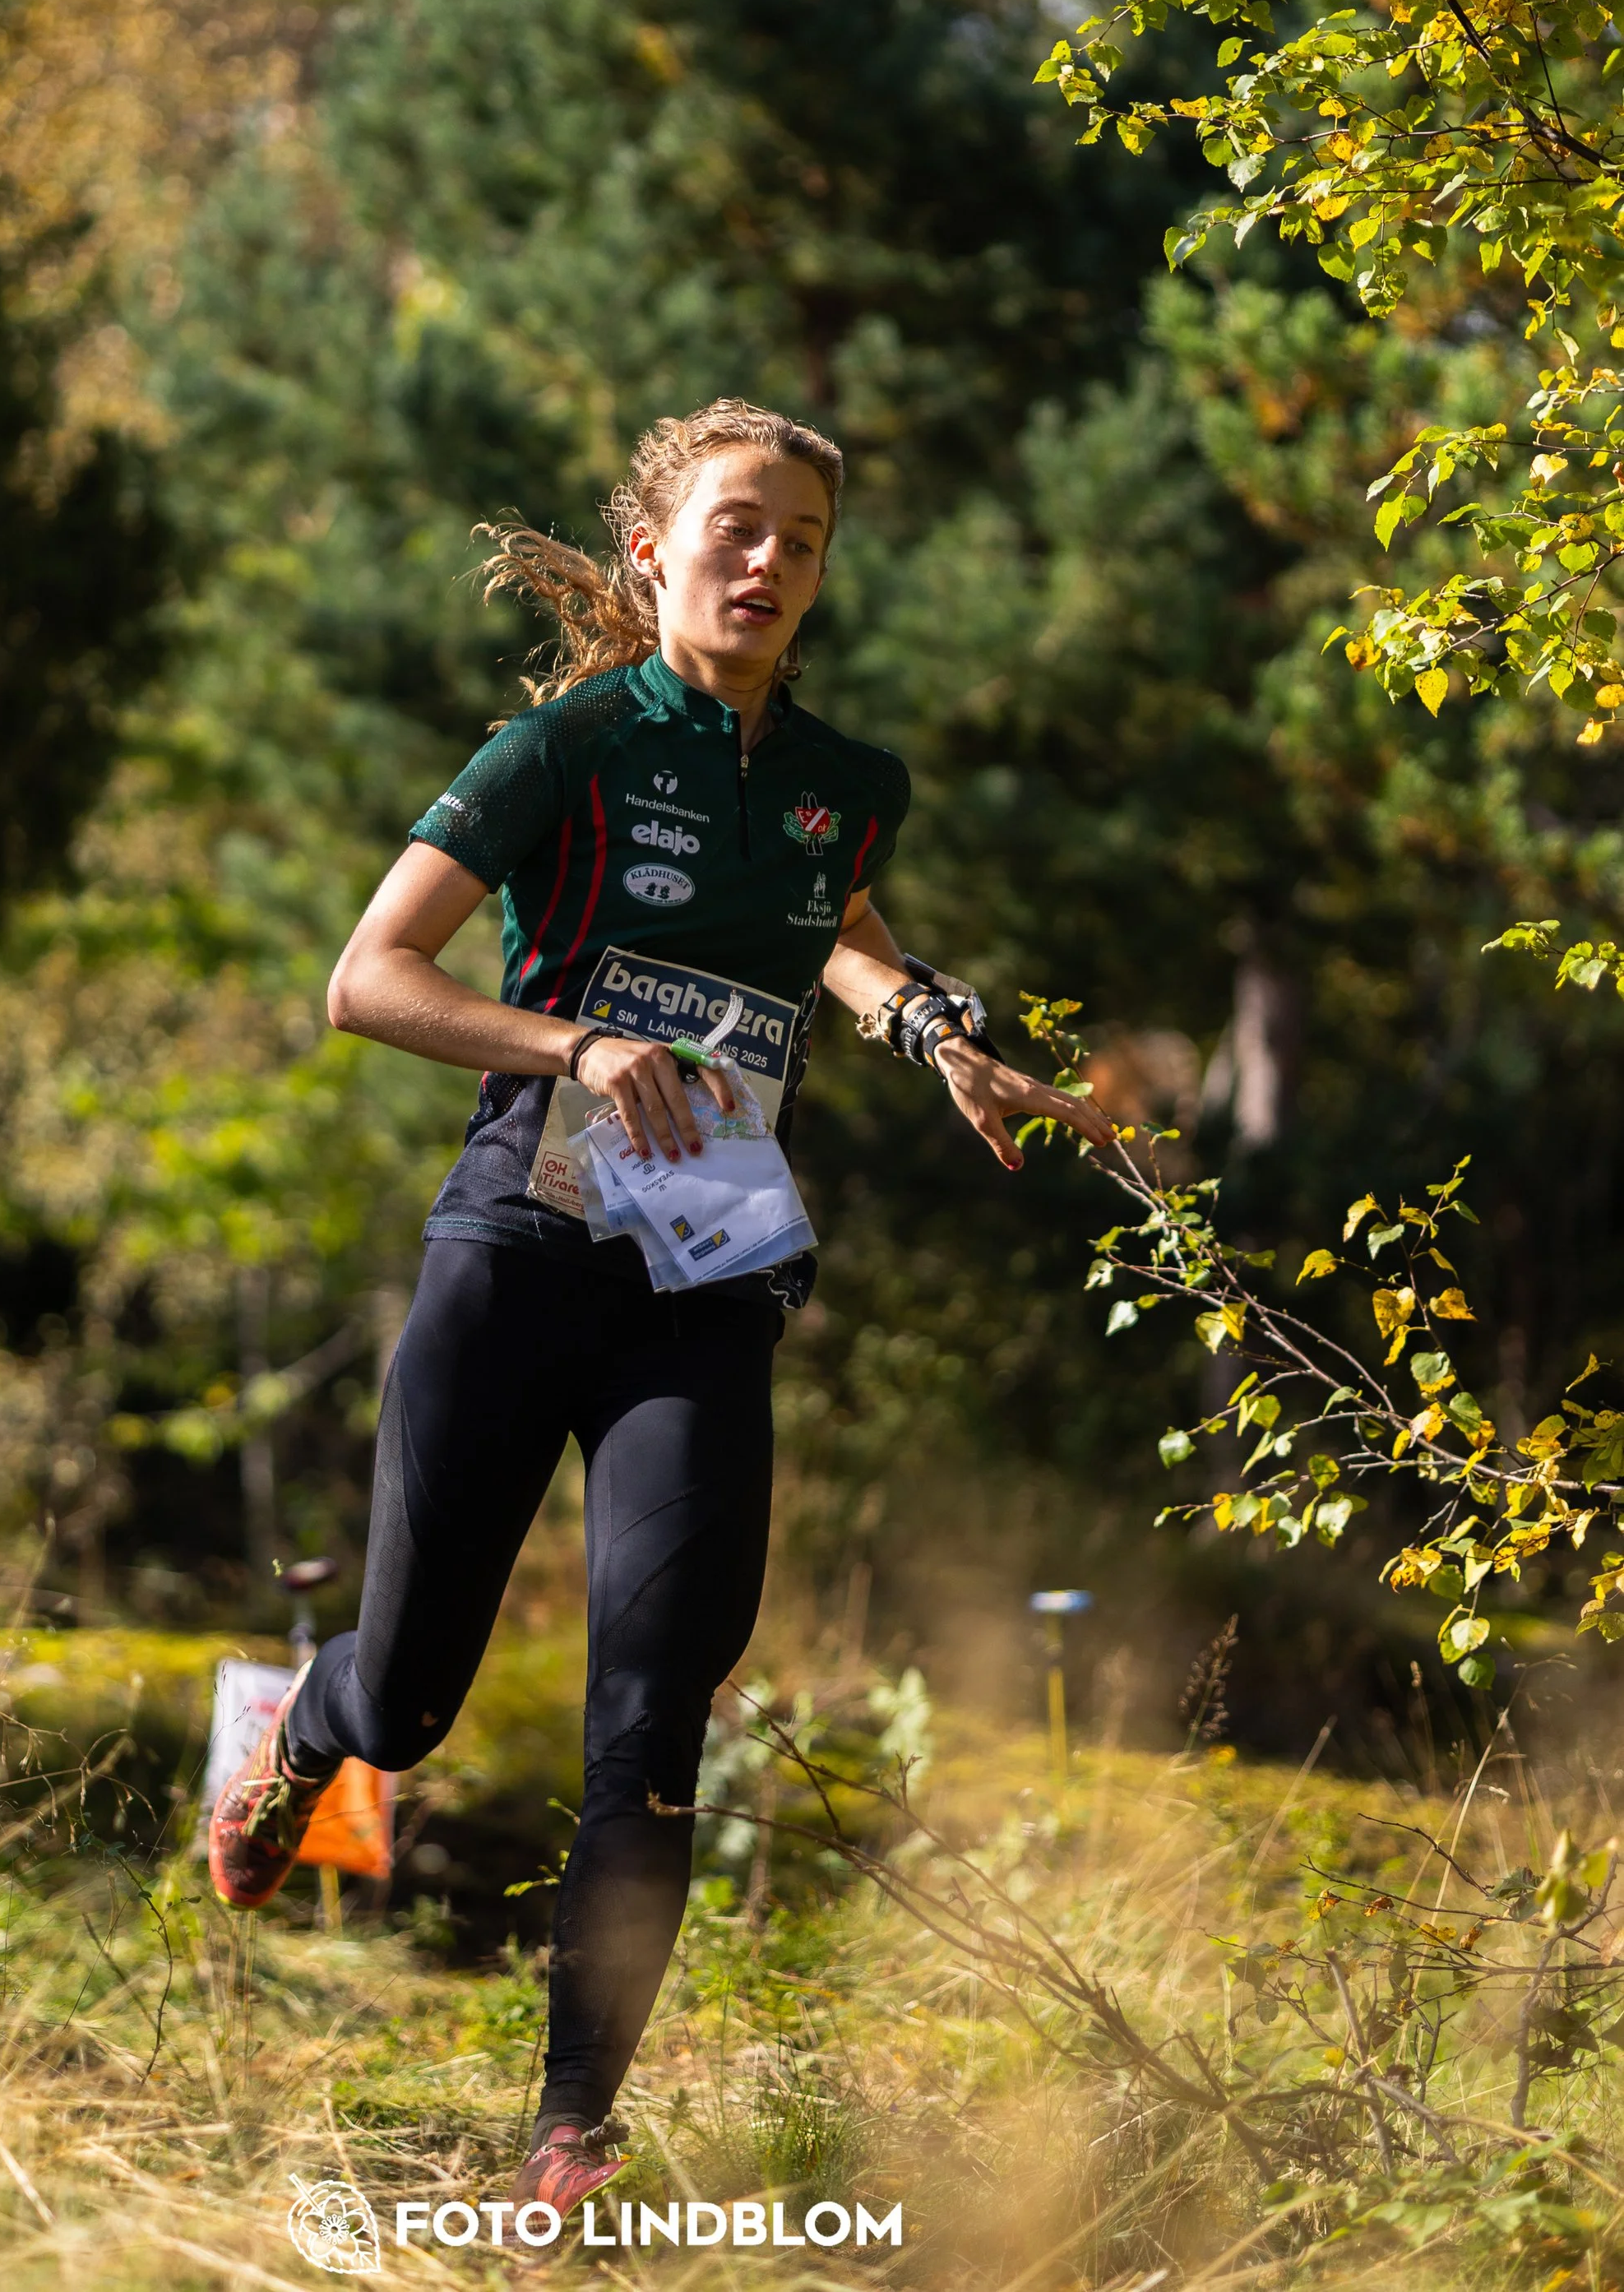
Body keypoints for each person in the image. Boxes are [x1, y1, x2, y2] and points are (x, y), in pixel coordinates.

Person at [208, 397, 1113, 2213]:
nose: (768, 558)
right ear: (654, 550)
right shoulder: (565, 748)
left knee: (657, 1708)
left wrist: (925, 1026)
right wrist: (578, 1039)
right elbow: (364, 976)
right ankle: (305, 1733)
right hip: (516, 1247)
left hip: (701, 1284)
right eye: (736, 525)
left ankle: (570, 2133)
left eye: (801, 538)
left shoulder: (844, 777)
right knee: (411, 1694)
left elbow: (825, 915)